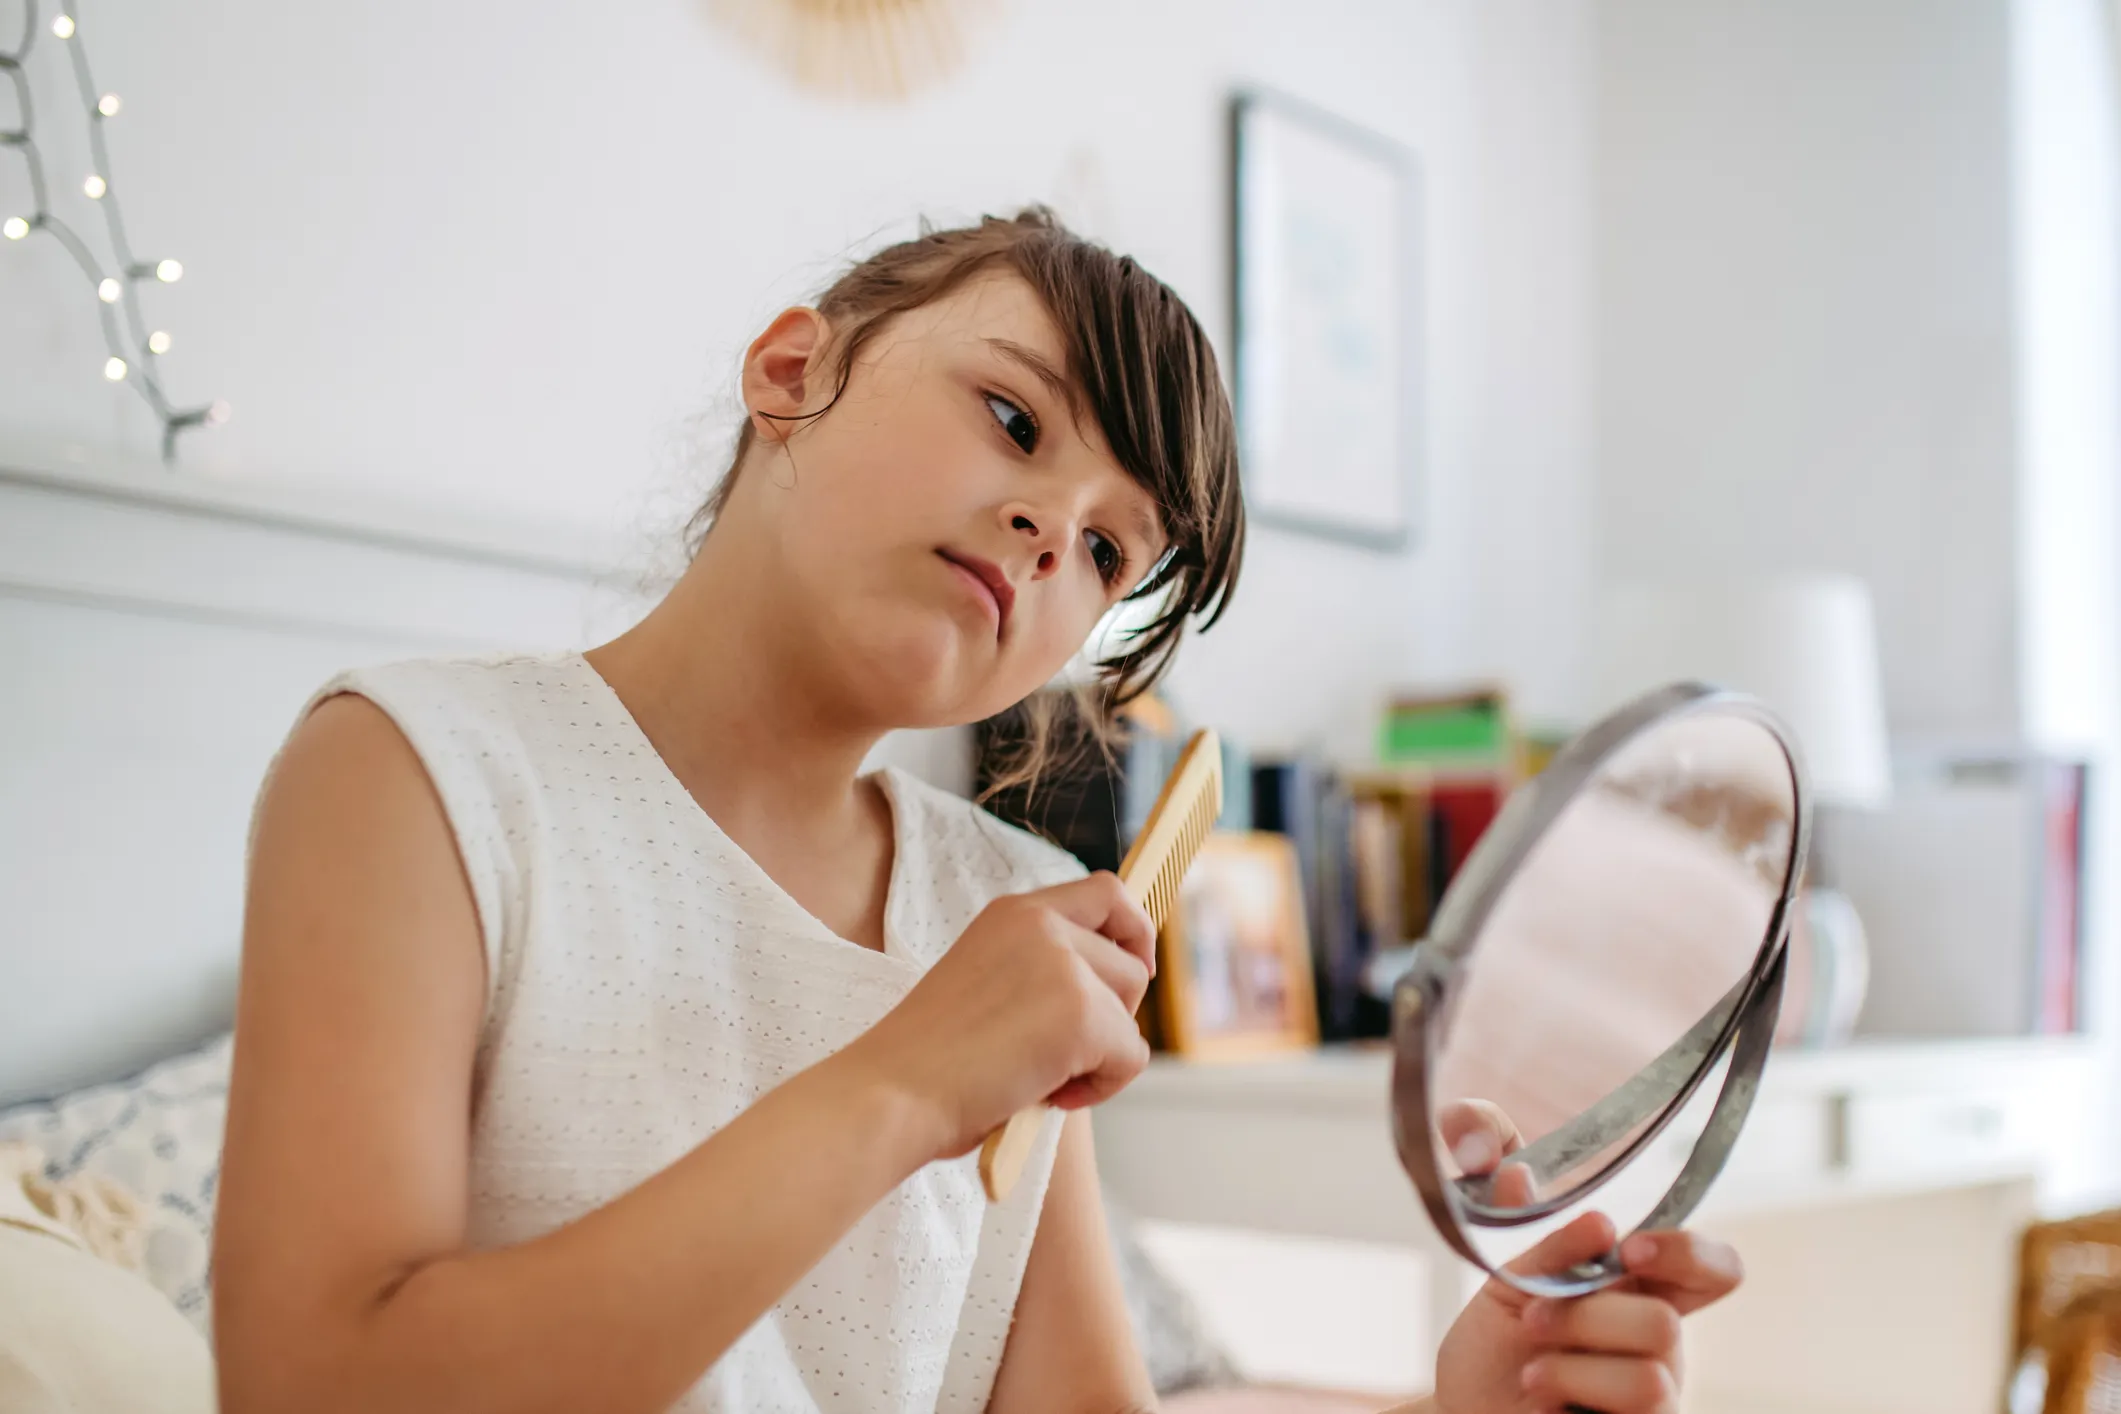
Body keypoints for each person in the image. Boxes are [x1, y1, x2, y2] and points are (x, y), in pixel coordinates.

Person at [214, 208, 1741, 1414]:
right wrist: (903, 1082)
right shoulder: (422, 774)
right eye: (1016, 422)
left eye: (1106, 550)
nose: (1048, 530)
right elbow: (319, 1387)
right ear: (792, 369)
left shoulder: (1004, 901)